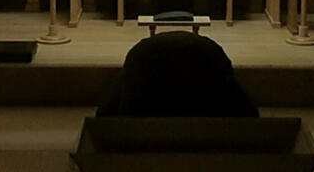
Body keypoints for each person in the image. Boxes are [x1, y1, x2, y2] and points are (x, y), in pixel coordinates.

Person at [97, 31, 258, 118]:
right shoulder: (210, 57)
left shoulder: (142, 58)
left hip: (141, 131)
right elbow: (249, 112)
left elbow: (105, 112)